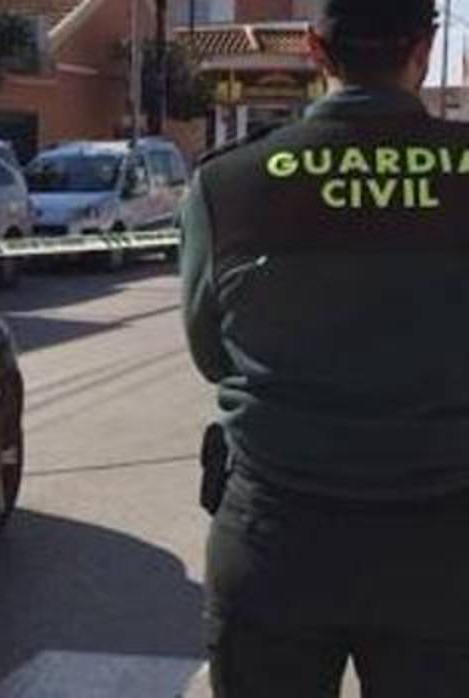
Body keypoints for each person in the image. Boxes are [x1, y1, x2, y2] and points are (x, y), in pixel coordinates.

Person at [181, 1, 469, 695]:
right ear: (424, 48)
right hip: (446, 546)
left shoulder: (228, 182)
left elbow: (210, 348)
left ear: (316, 48)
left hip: (274, 541)